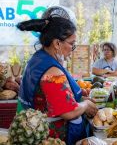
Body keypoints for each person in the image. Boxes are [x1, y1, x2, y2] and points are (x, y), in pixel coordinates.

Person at [17, 8, 98, 145]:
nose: (73, 49)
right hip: (53, 137)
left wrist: (79, 98)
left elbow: (48, 96)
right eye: (72, 44)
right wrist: (86, 104)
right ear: (57, 43)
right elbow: (68, 112)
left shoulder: (38, 58)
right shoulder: (52, 72)